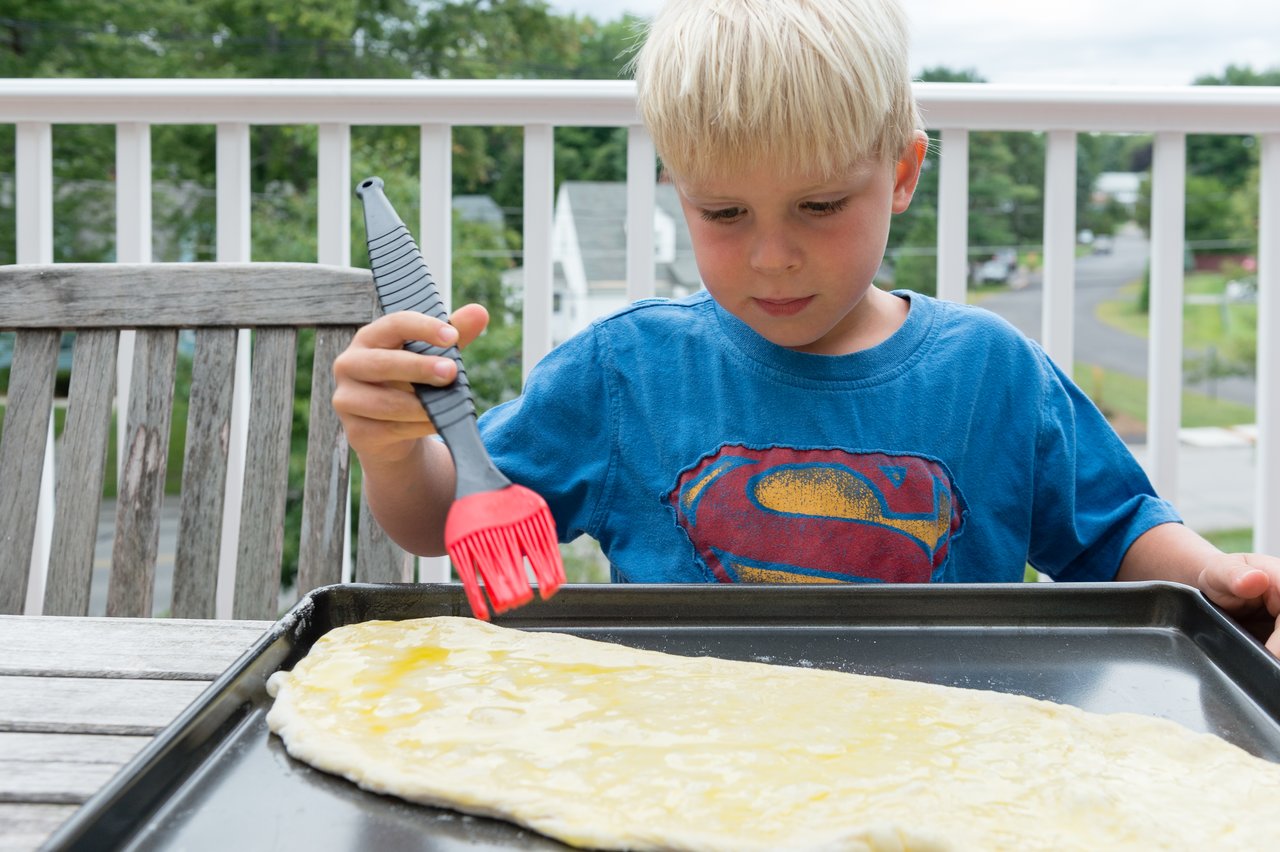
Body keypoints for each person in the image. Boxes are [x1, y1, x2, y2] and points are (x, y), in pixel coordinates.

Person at [332, 0, 1280, 656]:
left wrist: (1219, 579)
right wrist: (394, 446)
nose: (772, 257)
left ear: (903, 172)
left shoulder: (992, 373)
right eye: (726, 214)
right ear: (677, 191)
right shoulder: (627, 372)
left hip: (943, 765)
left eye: (820, 205)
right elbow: (449, 523)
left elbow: (1114, 534)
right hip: (669, 767)